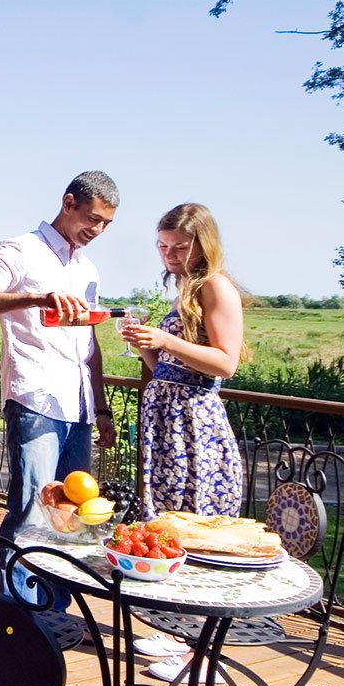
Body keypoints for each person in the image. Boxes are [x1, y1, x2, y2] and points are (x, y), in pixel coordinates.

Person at [0, 171, 118, 596]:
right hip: (35, 399)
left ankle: (54, 609)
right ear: (68, 204)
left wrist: (101, 408)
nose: (98, 230)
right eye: (93, 219)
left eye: (106, 224)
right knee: (32, 510)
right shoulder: (21, 250)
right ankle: (13, 614)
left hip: (79, 406)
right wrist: (35, 298)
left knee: (75, 515)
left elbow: (90, 343)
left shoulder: (88, 270)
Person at [121, 202, 249, 518]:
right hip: (167, 421)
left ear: (204, 246)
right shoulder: (184, 289)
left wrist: (166, 340)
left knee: (190, 520)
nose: (170, 255)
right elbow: (168, 371)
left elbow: (225, 363)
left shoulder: (214, 285)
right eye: (163, 246)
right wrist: (143, 344)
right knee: (167, 520)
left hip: (193, 424)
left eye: (180, 247)